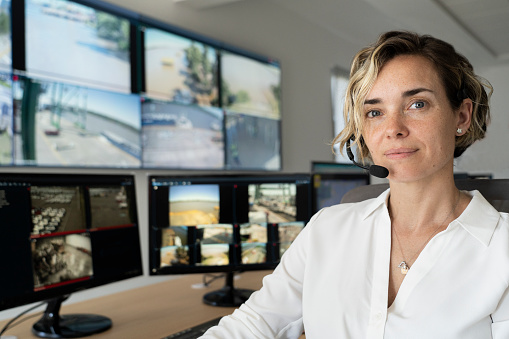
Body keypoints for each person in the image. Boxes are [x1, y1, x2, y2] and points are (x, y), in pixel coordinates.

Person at [200, 31, 509, 338]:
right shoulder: (326, 230)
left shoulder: (502, 248)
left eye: (417, 104)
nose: (393, 129)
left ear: (463, 116)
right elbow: (250, 327)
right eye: (374, 112)